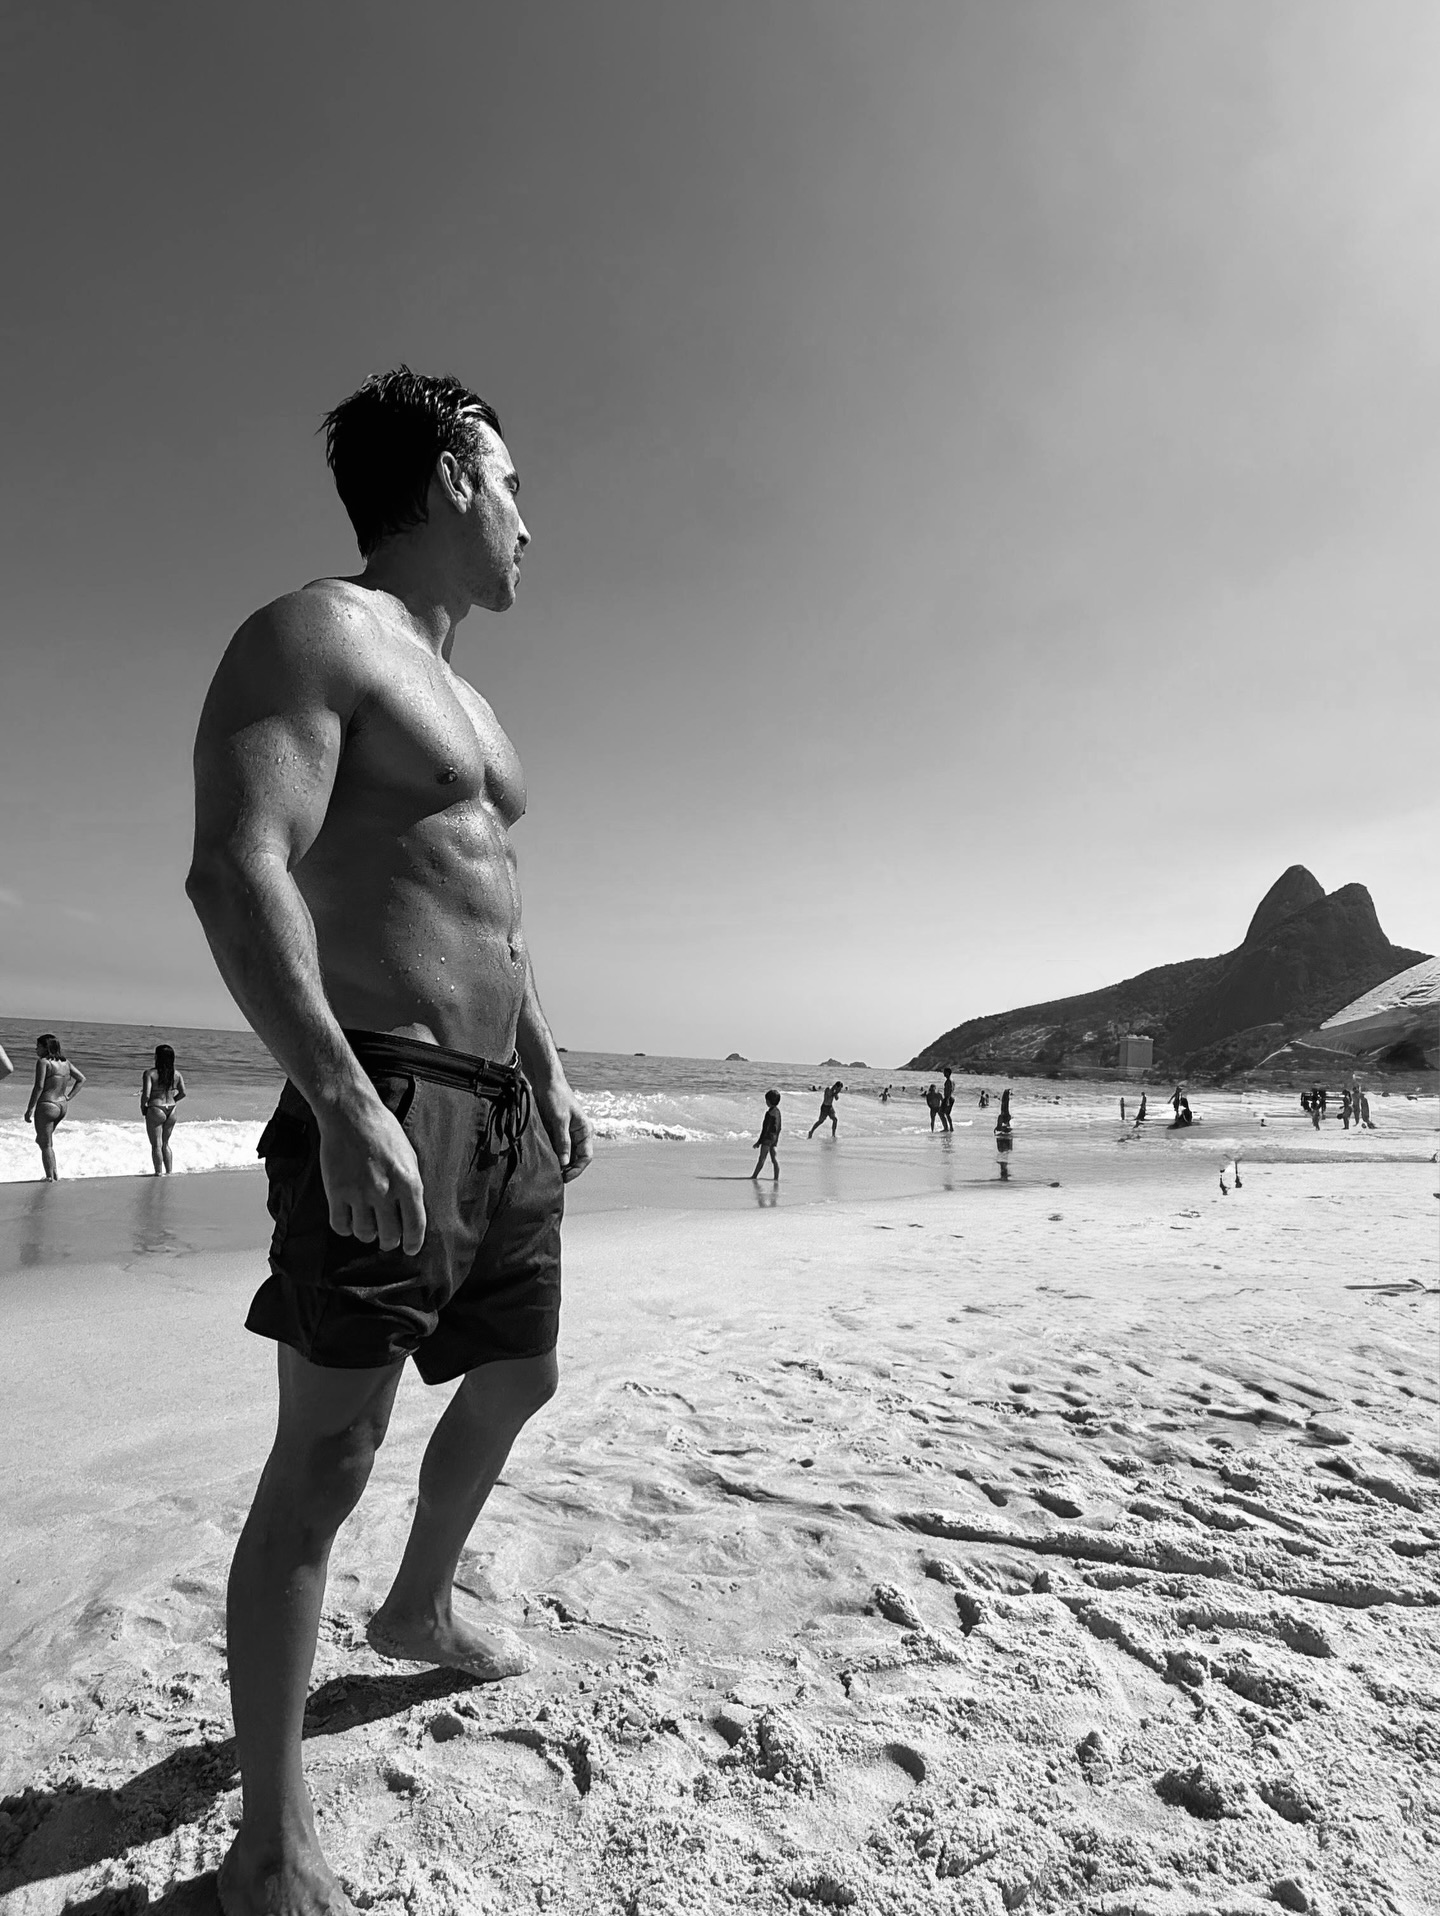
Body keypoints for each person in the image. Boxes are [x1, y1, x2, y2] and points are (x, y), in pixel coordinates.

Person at [186, 368, 593, 1916]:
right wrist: (346, 1100)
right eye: (512, 484)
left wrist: (547, 1064)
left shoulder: (473, 708)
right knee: (328, 1456)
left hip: (501, 1106)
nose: (529, 523)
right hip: (390, 1087)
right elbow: (240, 868)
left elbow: (492, 907)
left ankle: (417, 1605)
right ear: (448, 477)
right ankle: (268, 1850)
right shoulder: (314, 635)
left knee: (521, 1370)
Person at [23, 1034, 85, 1180]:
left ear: (46, 1048)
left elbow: (39, 1086)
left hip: (47, 1105)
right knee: (44, 1141)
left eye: (38, 1046)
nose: (36, 1049)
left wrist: (30, 1108)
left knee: (46, 1145)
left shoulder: (43, 1062)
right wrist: (69, 1096)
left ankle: (50, 1178)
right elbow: (81, 1079)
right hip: (62, 1106)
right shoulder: (66, 1063)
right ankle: (54, 1174)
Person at [140, 1043, 188, 1175]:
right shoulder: (176, 1074)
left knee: (156, 1145)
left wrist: (143, 1107)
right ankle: (169, 1172)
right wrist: (173, 1100)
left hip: (156, 1108)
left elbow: (146, 1095)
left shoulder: (150, 1073)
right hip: (171, 1109)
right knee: (165, 1143)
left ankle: (158, 1173)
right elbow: (183, 1093)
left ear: (157, 1057)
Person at [750, 1089, 781, 1180]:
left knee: (762, 1158)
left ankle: (754, 1176)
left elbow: (765, 1129)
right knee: (774, 1159)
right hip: (774, 1138)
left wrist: (759, 1142)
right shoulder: (778, 1112)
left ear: (768, 1101)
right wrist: (776, 1138)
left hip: (767, 1139)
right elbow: (779, 1127)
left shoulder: (769, 1114)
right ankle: (776, 1178)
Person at [940, 1067, 955, 1132]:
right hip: (948, 1098)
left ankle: (947, 1128)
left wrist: (947, 1099)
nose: (943, 1073)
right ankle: (950, 1128)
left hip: (948, 1098)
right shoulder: (950, 1080)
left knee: (941, 1112)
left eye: (945, 1072)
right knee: (946, 1113)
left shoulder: (949, 1081)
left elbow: (950, 1090)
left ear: (948, 1073)